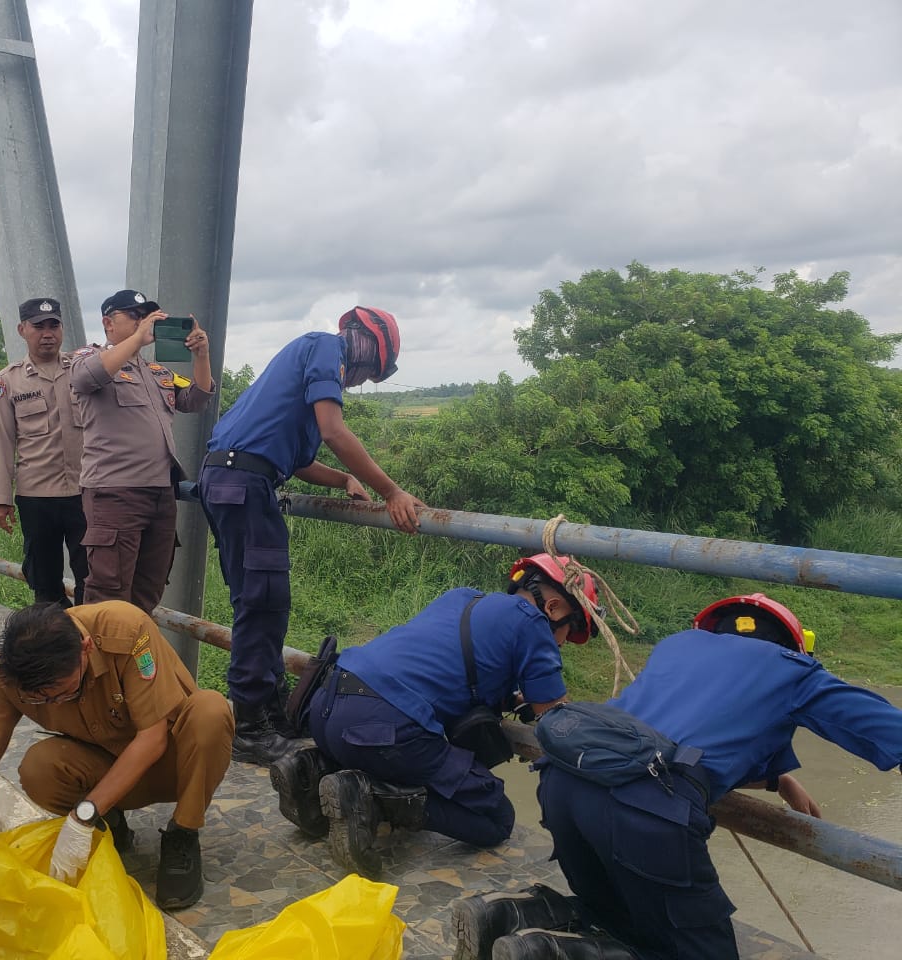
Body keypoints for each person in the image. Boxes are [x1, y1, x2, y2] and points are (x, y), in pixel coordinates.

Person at [458, 594, 902, 960]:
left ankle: (505, 917)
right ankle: (550, 955)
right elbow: (889, 732)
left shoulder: (677, 646)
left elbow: (687, 736)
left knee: (622, 910)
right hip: (644, 809)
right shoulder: (795, 672)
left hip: (563, 784)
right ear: (791, 644)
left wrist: (779, 780)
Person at [271, 554, 598, 878]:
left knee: (390, 754)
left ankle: (313, 771)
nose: (565, 641)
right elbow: (557, 717)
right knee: (496, 817)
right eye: (572, 630)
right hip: (381, 726)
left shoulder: (461, 597)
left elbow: (443, 667)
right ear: (554, 608)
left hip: (326, 704)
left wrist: (511, 697)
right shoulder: (533, 625)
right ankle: (372, 800)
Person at [198, 306, 427, 765]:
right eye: (369, 373)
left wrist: (343, 480)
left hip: (233, 481)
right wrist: (391, 491)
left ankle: (271, 708)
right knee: (261, 603)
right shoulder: (325, 346)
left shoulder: (303, 377)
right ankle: (248, 725)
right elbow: (335, 431)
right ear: (365, 346)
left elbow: (300, 461)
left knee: (264, 601)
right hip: (244, 484)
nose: (359, 382)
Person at [0, 600, 234, 910]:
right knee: (39, 767)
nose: (55, 702)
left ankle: (183, 833)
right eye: (43, 700)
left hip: (173, 764)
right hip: (105, 769)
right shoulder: (7, 674)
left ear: (85, 648)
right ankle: (111, 827)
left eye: (64, 692)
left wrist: (81, 817)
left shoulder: (126, 630)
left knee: (211, 711)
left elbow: (152, 739)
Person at [68, 289, 215, 613]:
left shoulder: (156, 372)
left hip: (161, 494)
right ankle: (101, 662)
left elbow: (197, 398)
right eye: (134, 316)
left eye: (146, 316)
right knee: (108, 593)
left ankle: (133, 658)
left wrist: (201, 355)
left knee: (149, 588)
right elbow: (83, 377)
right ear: (108, 322)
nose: (142, 322)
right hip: (114, 494)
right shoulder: (89, 357)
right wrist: (137, 339)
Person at [0, 297, 89, 606]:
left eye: (54, 325)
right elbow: (3, 442)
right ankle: (54, 648)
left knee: (92, 578)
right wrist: (1, 500)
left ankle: (92, 646)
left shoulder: (83, 371)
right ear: (22, 329)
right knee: (45, 583)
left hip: (86, 492)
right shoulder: (8, 380)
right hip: (37, 497)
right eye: (39, 326)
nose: (48, 333)